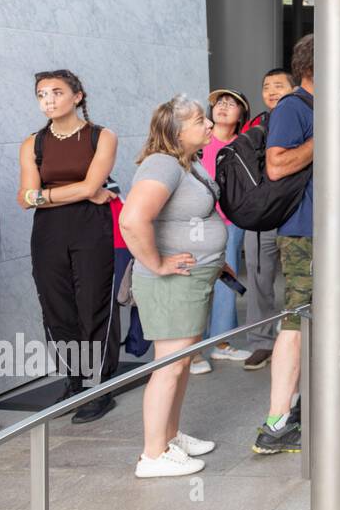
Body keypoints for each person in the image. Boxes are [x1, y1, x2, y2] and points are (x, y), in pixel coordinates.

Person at [119, 96, 228, 477]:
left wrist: (215, 255)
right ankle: (153, 455)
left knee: (181, 363)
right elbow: (132, 220)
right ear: (177, 132)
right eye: (201, 120)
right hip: (171, 282)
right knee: (168, 365)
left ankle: (169, 436)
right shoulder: (162, 164)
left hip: (192, 277)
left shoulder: (187, 162)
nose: (210, 125)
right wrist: (158, 262)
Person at [18, 70, 120, 423]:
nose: (48, 100)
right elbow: (24, 197)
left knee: (93, 306)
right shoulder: (34, 143)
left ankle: (98, 386)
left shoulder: (100, 136)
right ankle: (75, 380)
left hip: (92, 230)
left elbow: (92, 186)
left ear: (77, 96)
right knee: (57, 310)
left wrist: (43, 195)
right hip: (47, 233)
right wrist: (74, 192)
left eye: (56, 92)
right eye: (41, 94)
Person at [252, 36, 315, 455]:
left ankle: (297, 410)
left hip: (321, 232)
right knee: (295, 322)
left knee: (311, 321)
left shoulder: (315, 107)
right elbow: (276, 165)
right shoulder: (294, 107)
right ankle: (275, 422)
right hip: (303, 234)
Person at [191, 87, 254, 373]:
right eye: (219, 103)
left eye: (232, 103)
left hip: (230, 221)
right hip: (196, 222)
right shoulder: (198, 141)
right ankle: (192, 350)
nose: (223, 107)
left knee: (226, 279)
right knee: (195, 283)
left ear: (242, 115)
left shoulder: (244, 145)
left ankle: (221, 343)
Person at [241, 68, 294, 371]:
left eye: (279, 86)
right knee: (259, 280)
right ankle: (261, 342)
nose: (272, 91)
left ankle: (297, 339)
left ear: (294, 89)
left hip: (295, 215)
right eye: (266, 87)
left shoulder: (305, 119)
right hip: (262, 218)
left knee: (300, 283)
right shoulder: (256, 124)